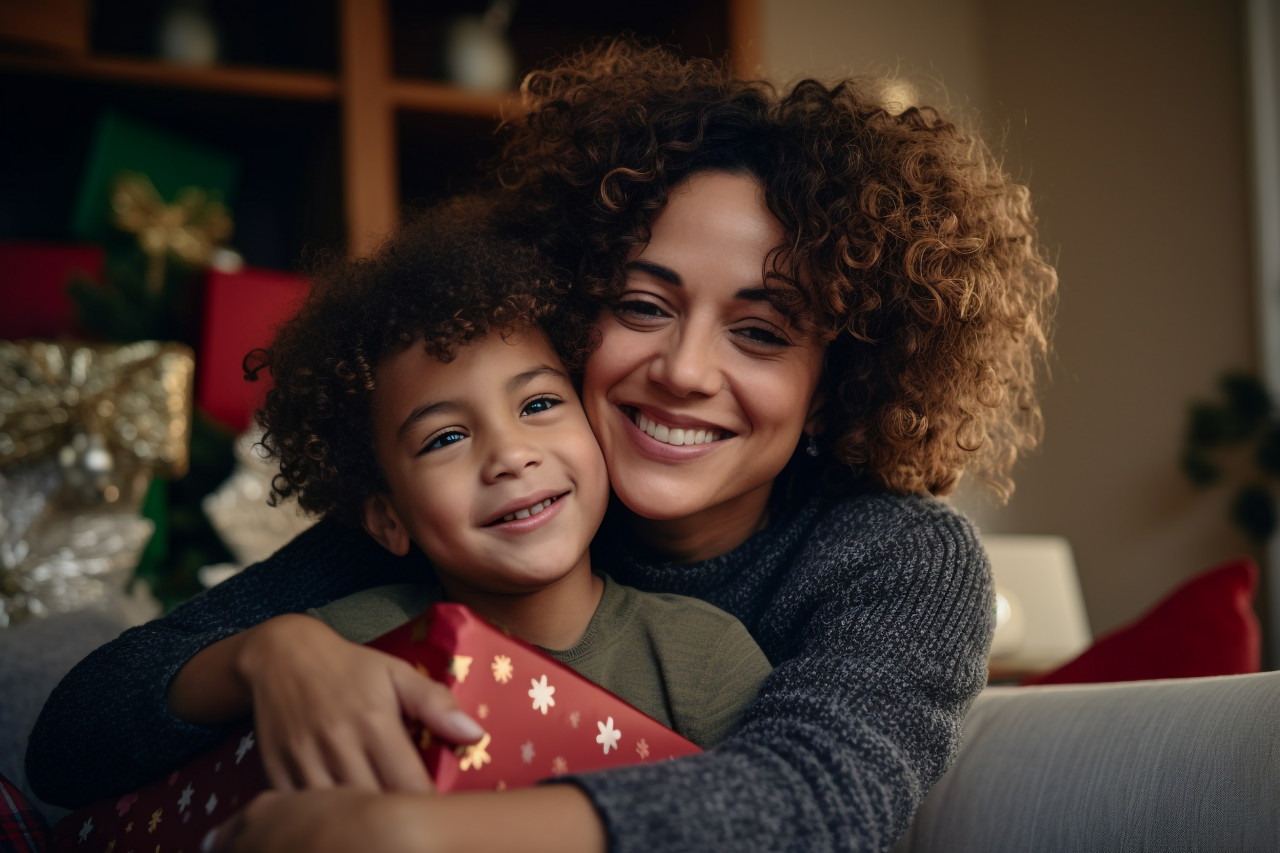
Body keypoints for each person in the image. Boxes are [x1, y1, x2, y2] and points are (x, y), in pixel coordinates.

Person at [27, 36, 1056, 853]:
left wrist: (423, 832)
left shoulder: (896, 558)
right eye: (640, 304)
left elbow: (816, 795)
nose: (685, 368)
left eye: (759, 330)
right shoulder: (470, 510)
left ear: (842, 375)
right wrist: (270, 653)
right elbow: (72, 737)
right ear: (565, 312)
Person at [251, 194, 771, 750]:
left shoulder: (701, 657)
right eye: (446, 438)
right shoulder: (342, 646)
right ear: (387, 518)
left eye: (538, 405)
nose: (510, 455)